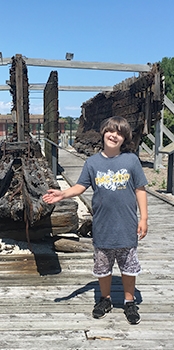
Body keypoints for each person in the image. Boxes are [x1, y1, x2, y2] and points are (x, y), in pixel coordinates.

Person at [43, 116, 148, 325]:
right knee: (103, 267)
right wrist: (62, 194)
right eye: (110, 131)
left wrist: (143, 218)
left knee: (128, 267)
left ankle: (129, 301)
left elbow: (140, 189)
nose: (114, 135)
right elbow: (81, 186)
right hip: (102, 226)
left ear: (125, 138)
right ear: (103, 133)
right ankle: (105, 299)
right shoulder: (92, 163)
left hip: (126, 226)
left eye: (119, 133)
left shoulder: (131, 160)